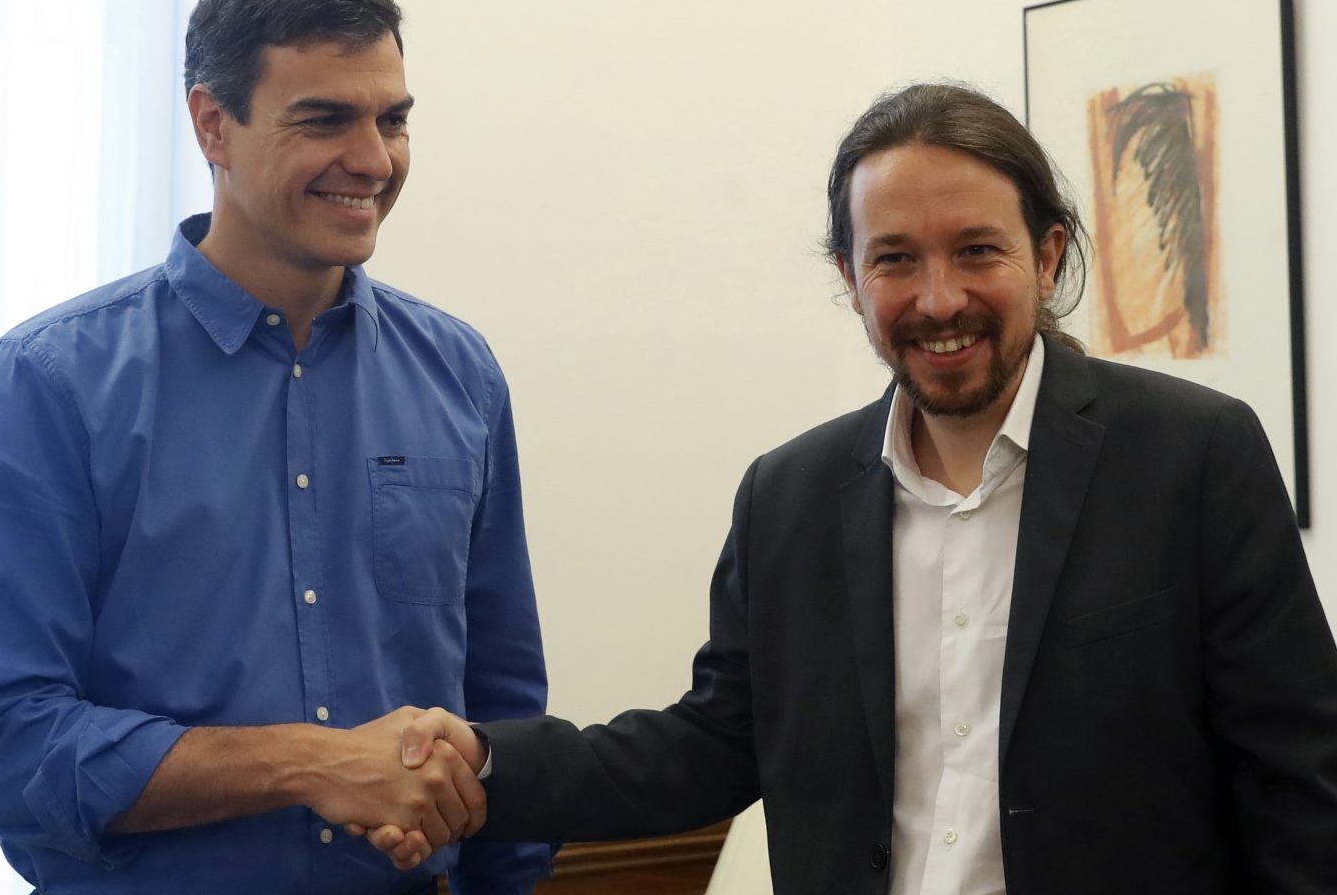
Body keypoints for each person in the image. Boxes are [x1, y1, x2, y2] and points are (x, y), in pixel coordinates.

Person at [385, 83, 1337, 893]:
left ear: (1046, 257)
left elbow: (1301, 776)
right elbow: (711, 743)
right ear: (849, 275)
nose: (937, 299)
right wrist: (481, 765)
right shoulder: (786, 498)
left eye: (976, 250)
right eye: (894, 259)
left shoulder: (1193, 456)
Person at [0, 0, 550, 895]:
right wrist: (311, 763)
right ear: (212, 124)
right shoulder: (53, 382)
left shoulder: (460, 374)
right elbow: (3, 744)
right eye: (325, 119)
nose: (375, 159)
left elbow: (506, 709)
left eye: (392, 119)